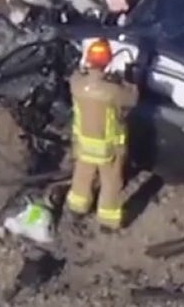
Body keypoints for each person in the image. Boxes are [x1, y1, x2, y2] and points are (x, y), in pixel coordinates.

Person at [65, 39, 139, 230]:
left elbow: (78, 75)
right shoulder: (113, 90)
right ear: (107, 62)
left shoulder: (76, 83)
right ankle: (107, 219)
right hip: (108, 147)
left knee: (81, 176)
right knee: (111, 182)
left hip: (83, 143)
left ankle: (77, 208)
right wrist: (130, 79)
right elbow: (132, 99)